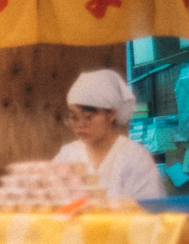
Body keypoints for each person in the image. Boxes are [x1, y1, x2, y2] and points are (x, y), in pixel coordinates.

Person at [52, 69, 165, 201]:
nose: (80, 124)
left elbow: (150, 209)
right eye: (73, 117)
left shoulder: (136, 158)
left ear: (111, 114)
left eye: (88, 117)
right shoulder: (67, 155)